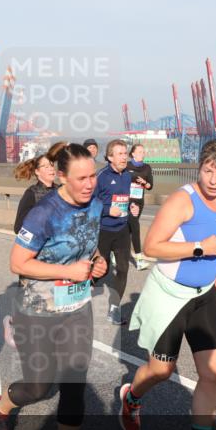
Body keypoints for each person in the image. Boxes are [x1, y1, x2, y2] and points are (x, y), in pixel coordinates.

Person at [119, 139, 216, 430]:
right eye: (208, 170)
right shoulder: (183, 201)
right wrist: (198, 247)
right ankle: (132, 397)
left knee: (213, 374)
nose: (213, 179)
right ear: (200, 168)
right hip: (170, 296)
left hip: (206, 295)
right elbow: (151, 246)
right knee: (162, 371)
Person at [0, 142, 108, 430]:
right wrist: (68, 273)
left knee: (73, 385)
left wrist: (98, 262)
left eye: (92, 177)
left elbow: (89, 243)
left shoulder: (96, 205)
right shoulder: (44, 213)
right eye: (81, 178)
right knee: (40, 387)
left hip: (76, 309)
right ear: (61, 177)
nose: (89, 184)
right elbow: (17, 263)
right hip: (37, 311)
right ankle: (2, 407)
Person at [95, 139, 140, 325]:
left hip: (121, 230)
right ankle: (75, 305)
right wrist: (107, 210)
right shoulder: (101, 176)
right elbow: (89, 203)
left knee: (122, 269)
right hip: (103, 231)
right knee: (98, 272)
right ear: (109, 157)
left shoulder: (128, 176)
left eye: (125, 153)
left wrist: (132, 207)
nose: (124, 157)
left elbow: (127, 199)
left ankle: (114, 309)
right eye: (120, 153)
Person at [12, 150, 58, 234]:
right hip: (43, 244)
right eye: (46, 167)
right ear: (37, 171)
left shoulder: (61, 190)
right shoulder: (32, 193)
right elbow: (18, 228)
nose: (51, 169)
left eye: (52, 165)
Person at [126, 143, 154, 270]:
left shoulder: (147, 167)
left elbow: (150, 185)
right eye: (140, 151)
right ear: (133, 153)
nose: (142, 154)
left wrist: (145, 183)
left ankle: (116, 252)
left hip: (139, 201)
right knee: (135, 227)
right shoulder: (126, 166)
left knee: (129, 228)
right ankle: (139, 259)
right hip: (127, 200)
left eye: (143, 152)